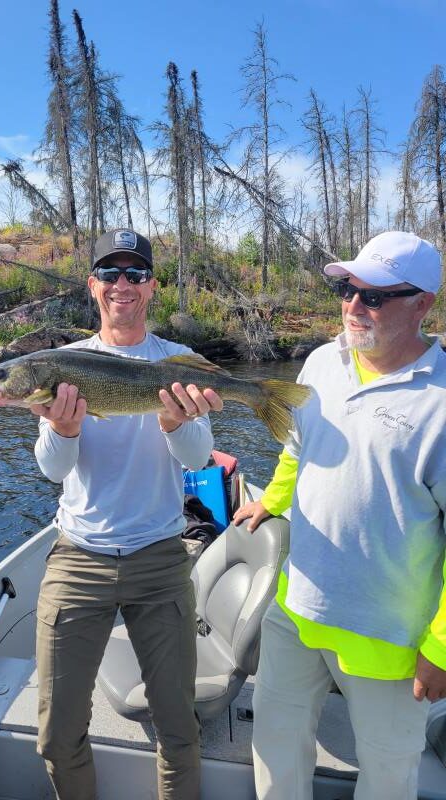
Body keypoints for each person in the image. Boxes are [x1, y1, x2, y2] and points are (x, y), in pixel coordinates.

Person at [233, 230, 446, 800]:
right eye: (347, 290)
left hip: (390, 637)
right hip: (295, 608)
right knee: (274, 747)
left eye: (374, 296)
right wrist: (270, 501)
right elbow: (298, 450)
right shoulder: (323, 362)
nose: (354, 306)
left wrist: (442, 648)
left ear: (422, 303)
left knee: (388, 776)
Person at [31, 228, 223, 800]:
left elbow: (198, 459)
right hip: (79, 559)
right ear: (94, 288)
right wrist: (63, 429)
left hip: (160, 559)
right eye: (111, 274)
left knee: (179, 728)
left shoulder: (176, 362)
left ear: (151, 288)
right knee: (57, 732)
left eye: (135, 274)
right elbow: (53, 469)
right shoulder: (64, 365)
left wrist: (175, 424)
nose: (123, 285)